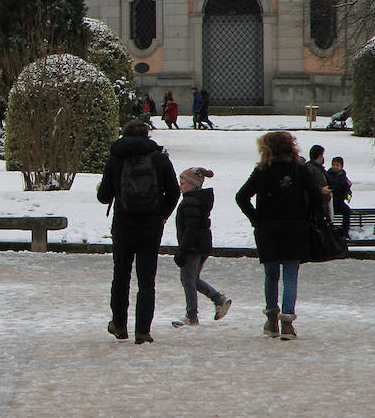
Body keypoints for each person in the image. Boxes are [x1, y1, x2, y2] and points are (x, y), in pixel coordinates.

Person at [236, 131, 326, 341]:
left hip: (268, 229)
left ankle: (271, 319)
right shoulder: (299, 169)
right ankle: (287, 323)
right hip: (295, 228)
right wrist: (308, 216)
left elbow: (241, 197)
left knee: (271, 275)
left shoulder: (262, 171)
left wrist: (256, 219)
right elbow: (316, 197)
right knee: (290, 276)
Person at [97, 119, 180, 344]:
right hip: (150, 227)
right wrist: (161, 214)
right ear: (147, 135)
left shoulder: (116, 159)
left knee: (121, 276)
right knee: (146, 279)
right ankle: (143, 330)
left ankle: (119, 325)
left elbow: (103, 196)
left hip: (123, 226)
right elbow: (174, 192)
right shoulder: (160, 159)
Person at [173, 166, 230, 327]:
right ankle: (218, 299)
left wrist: (183, 250)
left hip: (193, 247)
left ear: (193, 184)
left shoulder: (191, 202)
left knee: (187, 280)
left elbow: (191, 228)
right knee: (193, 279)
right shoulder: (196, 200)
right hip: (201, 245)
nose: (180, 186)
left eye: (183, 182)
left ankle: (192, 316)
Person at [328, 156, 353, 238]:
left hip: (339, 202)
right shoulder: (327, 175)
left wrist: (348, 196)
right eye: (333, 165)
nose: (334, 167)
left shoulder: (343, 177)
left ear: (341, 166)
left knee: (347, 211)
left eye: (337, 165)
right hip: (330, 201)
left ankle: (345, 232)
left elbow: (347, 190)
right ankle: (330, 231)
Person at [306, 144, 333, 220]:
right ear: (319, 156)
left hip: (322, 205)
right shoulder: (311, 169)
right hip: (316, 206)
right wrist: (321, 190)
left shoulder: (318, 168)